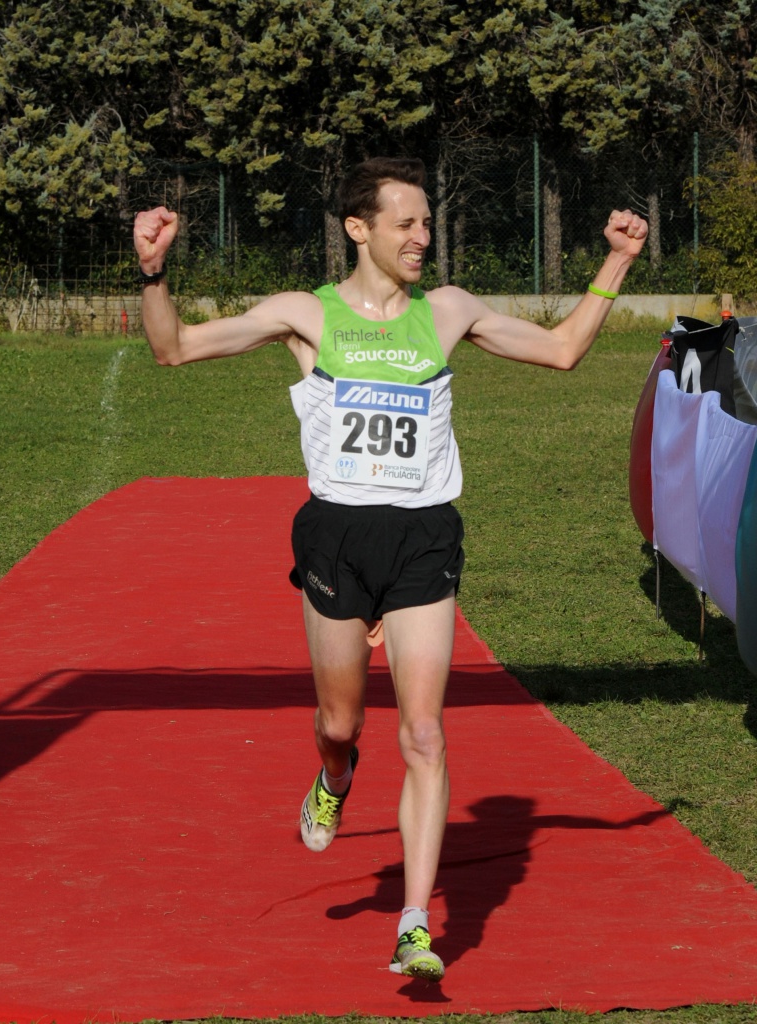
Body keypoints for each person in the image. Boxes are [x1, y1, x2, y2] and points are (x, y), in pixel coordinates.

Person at [133, 156, 648, 982]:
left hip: (423, 538)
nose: (421, 237)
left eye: (427, 223)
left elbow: (560, 352)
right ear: (358, 228)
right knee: (342, 724)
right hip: (336, 537)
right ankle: (335, 775)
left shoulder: (448, 311)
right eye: (406, 223)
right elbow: (175, 349)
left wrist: (617, 261)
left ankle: (414, 924)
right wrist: (154, 272)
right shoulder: (306, 315)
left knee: (425, 732)